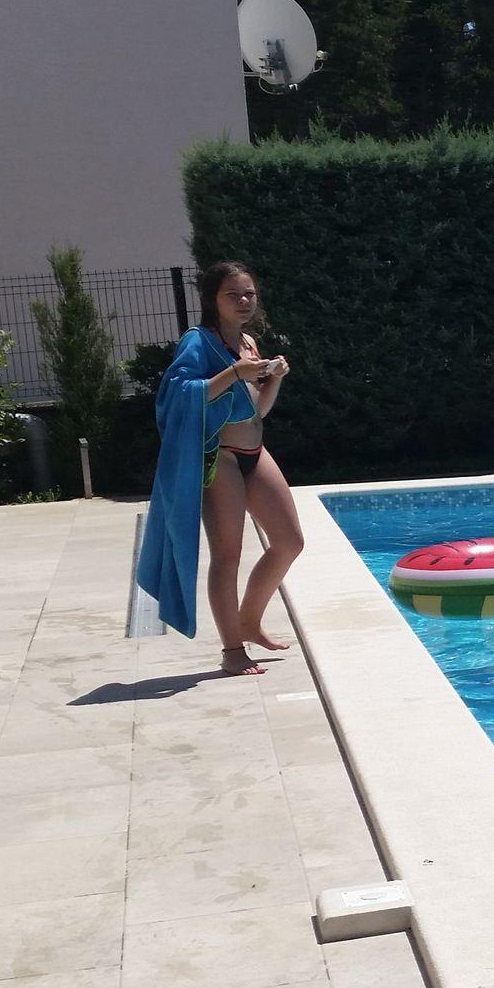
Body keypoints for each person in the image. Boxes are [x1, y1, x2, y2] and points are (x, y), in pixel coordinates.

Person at [134, 261, 304, 676]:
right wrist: (234, 373)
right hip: (220, 456)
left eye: (249, 294)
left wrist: (273, 379)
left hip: (255, 451)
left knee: (289, 541)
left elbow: (257, 410)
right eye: (233, 294)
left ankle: (250, 622)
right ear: (213, 299)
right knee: (228, 556)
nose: (244, 301)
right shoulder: (198, 341)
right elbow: (178, 394)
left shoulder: (248, 342)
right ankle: (232, 650)